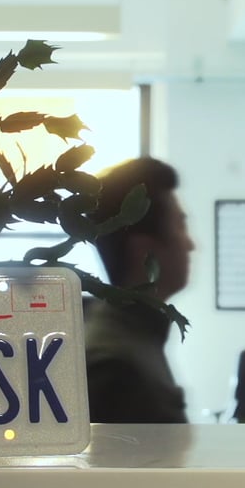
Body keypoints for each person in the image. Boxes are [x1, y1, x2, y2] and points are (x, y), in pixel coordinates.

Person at [84, 157, 195, 423]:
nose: (190, 244)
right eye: (181, 226)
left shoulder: (135, 336)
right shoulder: (116, 368)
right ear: (145, 253)